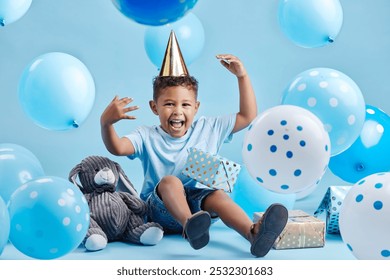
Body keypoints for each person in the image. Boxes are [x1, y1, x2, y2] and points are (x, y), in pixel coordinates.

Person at [100, 31, 288, 257]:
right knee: (170, 181)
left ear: (196, 108)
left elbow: (247, 116)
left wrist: (242, 77)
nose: (178, 111)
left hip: (201, 212)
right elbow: (118, 148)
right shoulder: (146, 135)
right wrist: (106, 123)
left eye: (185, 105)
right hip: (160, 210)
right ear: (154, 107)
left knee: (217, 195)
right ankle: (190, 226)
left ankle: (252, 233)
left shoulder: (209, 128)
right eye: (169, 104)